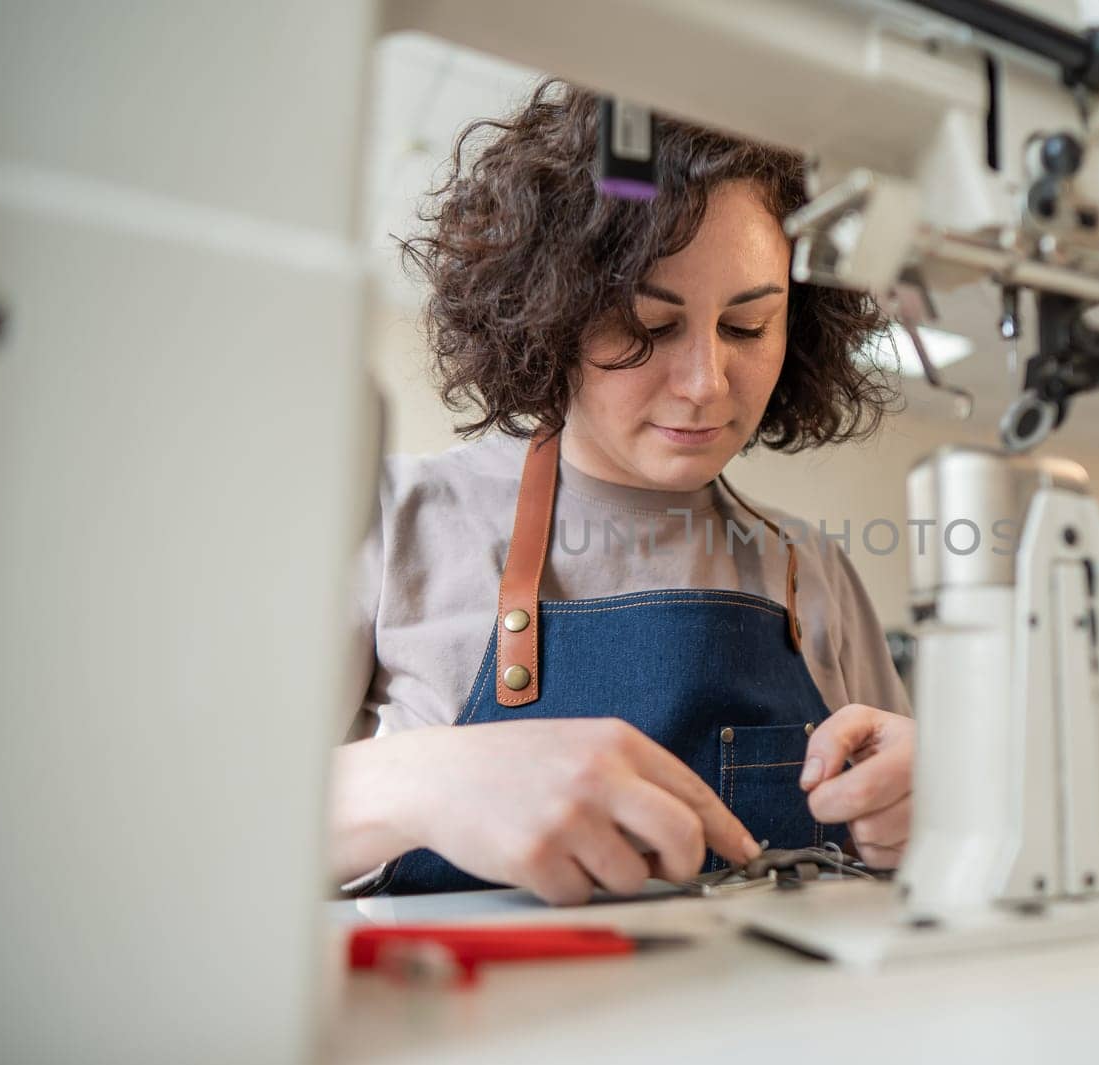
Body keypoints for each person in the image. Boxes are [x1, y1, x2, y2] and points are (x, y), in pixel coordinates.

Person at [327, 81, 919, 903]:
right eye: (648, 322)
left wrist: (927, 813)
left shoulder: (811, 569)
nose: (707, 383)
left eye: (748, 327)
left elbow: (907, 852)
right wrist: (421, 783)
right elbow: (214, 828)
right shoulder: (396, 522)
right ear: (553, 313)